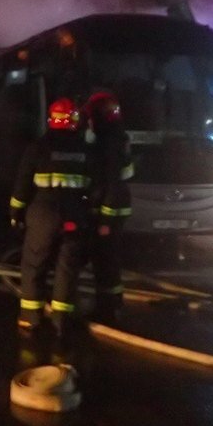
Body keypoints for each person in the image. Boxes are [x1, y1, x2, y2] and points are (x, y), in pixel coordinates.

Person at [9, 97, 93, 338]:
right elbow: (95, 187)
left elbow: (22, 185)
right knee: (67, 268)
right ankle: (61, 321)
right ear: (74, 120)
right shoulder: (85, 150)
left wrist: (15, 213)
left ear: (51, 119)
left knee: (34, 264)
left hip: (43, 215)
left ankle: (31, 318)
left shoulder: (38, 147)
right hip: (74, 215)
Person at [83, 90, 134, 324]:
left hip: (109, 209)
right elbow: (124, 175)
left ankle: (107, 309)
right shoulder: (118, 137)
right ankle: (112, 304)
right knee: (107, 259)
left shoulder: (108, 142)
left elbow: (111, 181)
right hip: (116, 206)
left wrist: (105, 219)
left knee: (105, 261)